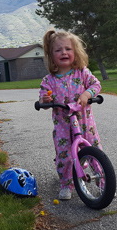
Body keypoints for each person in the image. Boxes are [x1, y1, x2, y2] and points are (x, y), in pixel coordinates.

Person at [39, 29, 102, 200]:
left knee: (95, 151)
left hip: (85, 123)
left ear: (75, 52)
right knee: (64, 156)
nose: (63, 53)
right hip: (63, 127)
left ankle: (102, 181)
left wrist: (86, 95)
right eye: (58, 50)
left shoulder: (82, 72)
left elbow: (96, 85)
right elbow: (43, 102)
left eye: (68, 49)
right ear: (52, 55)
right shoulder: (49, 80)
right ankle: (67, 184)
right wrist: (45, 100)